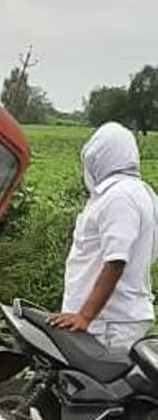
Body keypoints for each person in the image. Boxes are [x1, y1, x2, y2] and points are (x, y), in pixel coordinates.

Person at [48, 122, 158, 350]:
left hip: (109, 322)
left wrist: (85, 316)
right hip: (110, 318)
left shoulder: (120, 197)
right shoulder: (139, 192)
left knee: (95, 384)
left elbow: (116, 260)